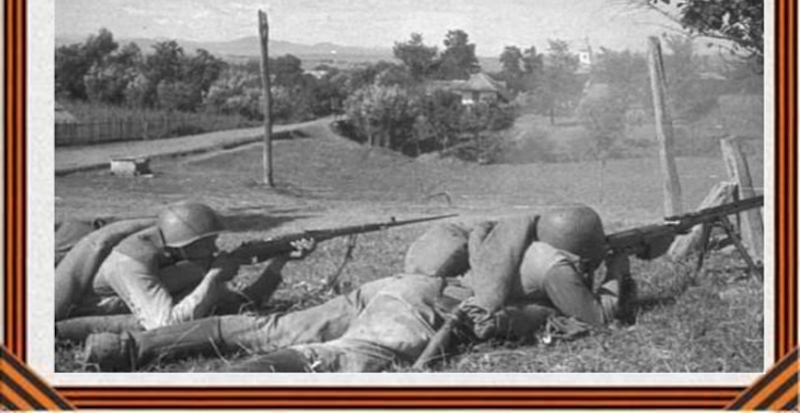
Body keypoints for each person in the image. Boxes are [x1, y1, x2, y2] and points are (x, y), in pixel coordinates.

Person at [83, 204, 644, 372]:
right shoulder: (554, 263)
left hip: (399, 286)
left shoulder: (523, 242)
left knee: (266, 328)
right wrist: (619, 271)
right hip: (423, 307)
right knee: (333, 357)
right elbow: (598, 320)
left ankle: (127, 348)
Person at [55, 201, 315, 336]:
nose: (215, 248)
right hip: (89, 311)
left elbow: (243, 303)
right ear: (183, 244)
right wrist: (213, 277)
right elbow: (165, 327)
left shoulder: (180, 258)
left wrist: (280, 261)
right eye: (207, 243)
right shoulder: (131, 261)